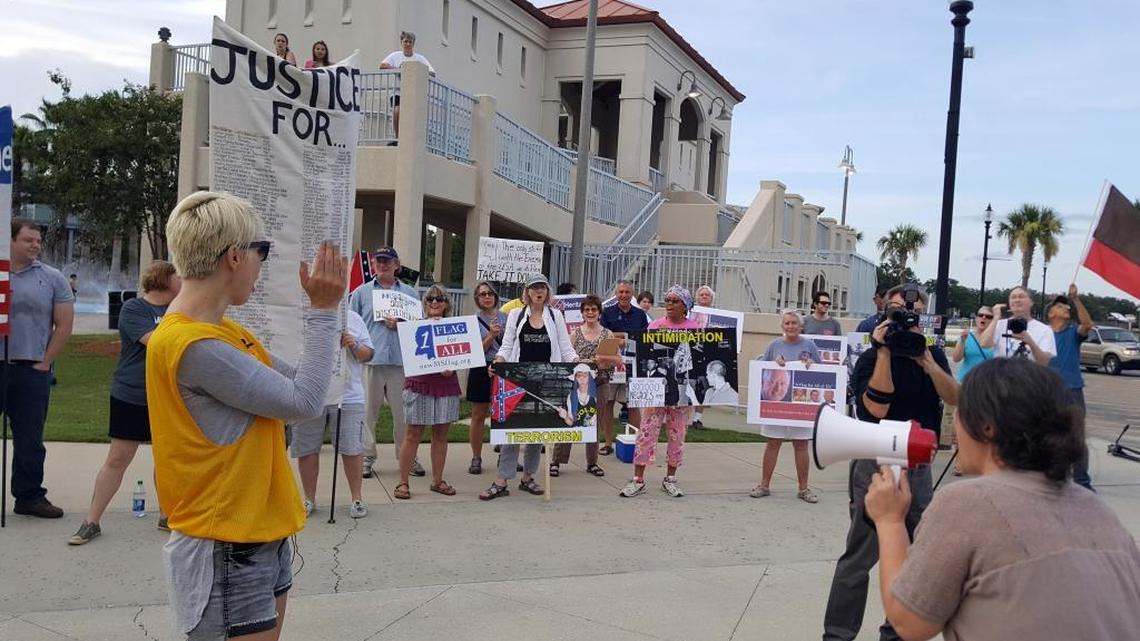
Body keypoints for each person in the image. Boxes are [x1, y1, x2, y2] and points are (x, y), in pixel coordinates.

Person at [148, 191, 346, 641]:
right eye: (264, 252)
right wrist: (323, 311)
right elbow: (304, 402)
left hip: (256, 530)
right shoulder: (195, 347)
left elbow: (302, 388)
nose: (263, 266)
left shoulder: (221, 333)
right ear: (235, 257)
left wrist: (328, 321)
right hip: (226, 541)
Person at [864, 358, 1140, 641]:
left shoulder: (967, 503)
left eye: (961, 412)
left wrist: (890, 520)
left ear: (987, 428)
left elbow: (910, 623)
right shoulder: (1098, 510)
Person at [822, 283, 959, 641]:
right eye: (897, 311)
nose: (904, 318)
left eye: (911, 313)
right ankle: (837, 636)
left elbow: (954, 397)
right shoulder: (869, 356)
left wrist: (926, 360)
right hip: (875, 460)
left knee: (914, 555)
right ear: (884, 312)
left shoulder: (932, 355)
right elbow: (875, 409)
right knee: (859, 556)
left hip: (917, 465)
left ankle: (896, 632)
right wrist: (884, 352)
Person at [69, 261, 180, 544]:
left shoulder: (179, 310)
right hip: (132, 393)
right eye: (177, 275)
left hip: (167, 396)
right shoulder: (134, 309)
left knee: (166, 459)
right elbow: (156, 342)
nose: (183, 280)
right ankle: (91, 521)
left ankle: (168, 516)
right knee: (118, 459)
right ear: (164, 279)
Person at [481, 273, 576, 500]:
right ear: (527, 292)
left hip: (546, 379)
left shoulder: (555, 316)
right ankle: (501, 480)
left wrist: (576, 363)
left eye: (542, 287)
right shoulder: (516, 314)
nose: (538, 292)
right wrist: (499, 362)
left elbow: (565, 347)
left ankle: (528, 477)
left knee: (537, 431)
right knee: (511, 431)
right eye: (534, 288)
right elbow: (506, 346)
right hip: (517, 378)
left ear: (547, 292)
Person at [4, 218, 74, 519]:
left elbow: (64, 325)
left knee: (30, 438)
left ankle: (29, 496)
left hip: (31, 369)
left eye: (38, 240)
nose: (35, 245)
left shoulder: (52, 277)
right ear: (10, 241)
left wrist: (45, 362)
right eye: (28, 240)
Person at [290, 307, 374, 518]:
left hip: (348, 396)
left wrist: (353, 344)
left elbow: (369, 354)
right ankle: (309, 499)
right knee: (307, 448)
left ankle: (356, 499)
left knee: (351, 447)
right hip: (310, 392)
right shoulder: (301, 315)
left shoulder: (352, 318)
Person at [348, 245, 424, 479]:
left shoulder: (410, 294)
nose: (382, 264)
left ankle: (406, 458)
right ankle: (367, 457)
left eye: (387, 261)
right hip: (371, 361)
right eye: (378, 261)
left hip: (401, 362)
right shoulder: (361, 293)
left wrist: (401, 325)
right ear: (373, 264)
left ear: (396, 265)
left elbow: (419, 330)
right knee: (368, 413)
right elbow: (352, 325)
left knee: (403, 414)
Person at [620, 285, 698, 498]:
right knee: (646, 432)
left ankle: (670, 478)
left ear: (685, 305)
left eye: (675, 301)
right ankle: (638, 479)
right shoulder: (654, 326)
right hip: (655, 390)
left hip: (679, 392)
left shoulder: (694, 328)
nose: (670, 305)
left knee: (677, 434)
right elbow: (643, 356)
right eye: (667, 300)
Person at [394, 286, 461, 500]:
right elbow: (412, 355)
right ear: (425, 303)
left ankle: (437, 480)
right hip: (419, 384)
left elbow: (462, 353)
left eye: (439, 298)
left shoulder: (455, 327)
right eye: (430, 298)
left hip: (446, 385)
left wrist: (453, 366)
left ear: (446, 303)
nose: (434, 302)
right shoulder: (414, 327)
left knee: (441, 435)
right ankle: (403, 482)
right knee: (413, 434)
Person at [750, 309, 822, 503]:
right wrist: (774, 363)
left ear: (801, 326)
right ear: (782, 326)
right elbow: (762, 371)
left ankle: (803, 488)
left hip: (800, 406)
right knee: (773, 443)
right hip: (777, 404)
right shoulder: (773, 345)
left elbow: (822, 370)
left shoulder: (810, 345)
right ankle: (764, 485)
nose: (791, 326)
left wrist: (811, 364)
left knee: (801, 445)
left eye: (794, 323)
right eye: (787, 323)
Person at [552, 295, 616, 477]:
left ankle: (592, 462)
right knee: (569, 421)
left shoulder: (608, 334)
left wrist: (603, 360)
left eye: (594, 309)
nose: (590, 312)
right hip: (577, 386)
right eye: (587, 309)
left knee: (594, 425)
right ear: (582, 313)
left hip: (601, 383)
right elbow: (566, 359)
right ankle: (556, 460)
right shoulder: (574, 334)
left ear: (599, 313)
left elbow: (616, 360)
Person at [1046, 284, 1095, 490]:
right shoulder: (1043, 334)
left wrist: (1075, 299)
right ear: (1051, 313)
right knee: (1048, 434)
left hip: (1073, 390)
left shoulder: (1073, 332)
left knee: (1076, 436)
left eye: (1067, 307)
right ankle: (1052, 474)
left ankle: (1082, 481)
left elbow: (1087, 324)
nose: (1066, 309)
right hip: (1048, 391)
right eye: (1061, 306)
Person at [599, 280, 649, 455]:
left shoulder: (640, 314)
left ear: (632, 294)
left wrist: (620, 336)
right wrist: (624, 337)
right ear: (616, 294)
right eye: (620, 292)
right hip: (612, 365)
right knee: (608, 403)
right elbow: (604, 335)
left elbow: (644, 337)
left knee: (633, 404)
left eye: (627, 292)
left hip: (633, 365)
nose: (624, 295)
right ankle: (607, 443)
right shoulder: (607, 313)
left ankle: (637, 443)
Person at [466, 281, 506, 475]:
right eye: (483, 294)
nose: (487, 297)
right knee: (478, 415)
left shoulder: (507, 317)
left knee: (504, 414)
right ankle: (476, 457)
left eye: (490, 293)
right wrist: (491, 336)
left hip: (503, 367)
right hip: (481, 367)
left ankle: (506, 456)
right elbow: (475, 351)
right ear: (477, 298)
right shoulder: (472, 321)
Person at [379, 31, 436, 139]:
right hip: (398, 91)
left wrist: (417, 71)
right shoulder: (395, 56)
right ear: (401, 43)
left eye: (410, 42)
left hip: (414, 92)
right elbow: (382, 65)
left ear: (413, 44)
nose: (408, 44)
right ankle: (398, 137)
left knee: (412, 116)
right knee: (397, 111)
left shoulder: (420, 58)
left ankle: (410, 139)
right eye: (406, 41)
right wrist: (399, 70)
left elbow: (432, 73)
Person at [991, 285, 1055, 365]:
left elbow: (1044, 362)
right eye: (1013, 297)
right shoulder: (999, 325)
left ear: (1031, 302)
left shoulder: (1044, 330)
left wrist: (1030, 342)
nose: (1017, 300)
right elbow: (984, 344)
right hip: (1002, 376)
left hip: (1029, 376)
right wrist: (996, 317)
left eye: (1021, 297)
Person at [688, 285, 716, 429]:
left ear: (712, 299)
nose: (704, 297)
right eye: (702, 295)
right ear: (697, 298)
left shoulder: (717, 316)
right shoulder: (689, 313)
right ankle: (683, 417)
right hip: (691, 352)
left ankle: (697, 419)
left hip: (708, 353)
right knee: (689, 383)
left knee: (704, 385)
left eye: (707, 295)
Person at [950, 305, 996, 382]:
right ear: (976, 318)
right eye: (980, 315)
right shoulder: (967, 336)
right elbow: (956, 359)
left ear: (993, 320)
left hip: (987, 385)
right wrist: (962, 340)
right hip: (965, 382)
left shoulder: (997, 338)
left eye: (988, 316)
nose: (983, 317)